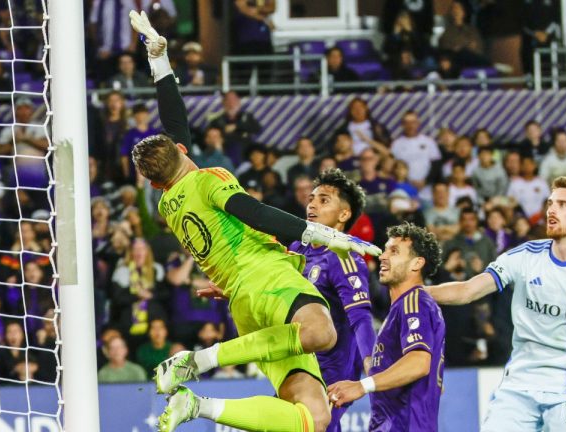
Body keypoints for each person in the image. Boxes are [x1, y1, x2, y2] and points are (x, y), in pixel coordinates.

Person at [127, 11, 380, 432]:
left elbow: (175, 124)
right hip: (267, 278)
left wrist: (160, 63)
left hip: (244, 306)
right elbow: (255, 212)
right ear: (181, 154)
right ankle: (201, 360)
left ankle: (199, 407)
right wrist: (323, 234)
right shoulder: (209, 181)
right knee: (323, 334)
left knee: (313, 418)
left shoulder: (168, 202)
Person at [425, 177, 566, 431]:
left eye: (563, 204)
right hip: (519, 387)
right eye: (550, 203)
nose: (551, 210)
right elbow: (467, 290)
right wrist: (415, 292)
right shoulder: (524, 256)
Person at [327, 222, 445, 432]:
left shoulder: (415, 300)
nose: (382, 256)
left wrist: (361, 386)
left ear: (416, 263)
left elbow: (419, 362)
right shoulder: (400, 310)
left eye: (394, 251)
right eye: (385, 249)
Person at [288, 169, 376, 431]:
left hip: (333, 372)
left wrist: (371, 366)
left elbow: (360, 318)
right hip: (299, 363)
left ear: (344, 214)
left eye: (324, 200)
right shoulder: (297, 249)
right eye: (311, 198)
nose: (312, 204)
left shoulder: (344, 256)